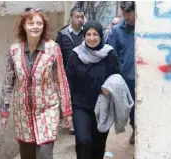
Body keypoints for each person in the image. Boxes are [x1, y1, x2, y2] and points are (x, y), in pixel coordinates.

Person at [0, 7, 72, 159]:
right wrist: (4, 111)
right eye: (31, 23)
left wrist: (67, 112)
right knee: (27, 155)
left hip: (48, 109)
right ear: (24, 26)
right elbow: (8, 82)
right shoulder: (14, 51)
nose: (35, 26)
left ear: (43, 26)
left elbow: (61, 80)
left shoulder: (53, 49)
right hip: (22, 113)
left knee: (45, 154)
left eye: (39, 23)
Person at [66, 20, 120, 159]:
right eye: (88, 34)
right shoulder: (76, 55)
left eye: (95, 34)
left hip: (103, 106)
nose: (91, 38)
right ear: (84, 36)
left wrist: (111, 88)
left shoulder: (109, 54)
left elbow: (117, 77)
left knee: (98, 145)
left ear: (101, 35)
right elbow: (69, 80)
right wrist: (67, 106)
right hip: (81, 106)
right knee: (83, 141)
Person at [107, 1, 135, 144]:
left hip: (145, 78)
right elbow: (112, 54)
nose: (127, 17)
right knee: (131, 109)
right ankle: (135, 128)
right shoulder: (117, 30)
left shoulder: (143, 28)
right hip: (127, 78)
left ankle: (140, 131)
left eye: (129, 13)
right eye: (124, 14)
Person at [56, 7, 85, 134]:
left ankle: (82, 121)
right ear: (71, 18)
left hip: (85, 72)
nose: (80, 20)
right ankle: (72, 123)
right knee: (70, 98)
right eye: (77, 17)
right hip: (68, 74)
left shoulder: (87, 33)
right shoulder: (63, 35)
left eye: (82, 17)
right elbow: (57, 55)